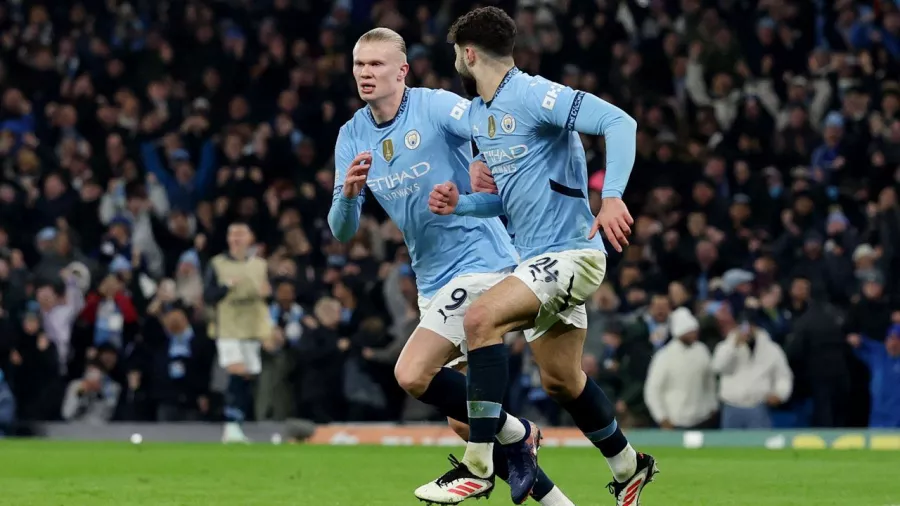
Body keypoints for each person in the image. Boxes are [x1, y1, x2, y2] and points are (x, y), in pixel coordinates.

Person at [420, 8, 655, 506]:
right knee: (562, 380)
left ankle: (479, 467)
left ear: (467, 53)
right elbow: (509, 201)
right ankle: (629, 466)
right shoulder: (483, 116)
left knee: (480, 319)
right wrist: (463, 202)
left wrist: (611, 195)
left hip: (573, 255)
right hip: (537, 261)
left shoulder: (534, 94)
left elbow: (619, 121)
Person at [328, 28, 572, 506]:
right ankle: (557, 499)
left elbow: (493, 122)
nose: (365, 73)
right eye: (359, 65)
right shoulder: (352, 134)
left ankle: (519, 432)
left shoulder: (435, 106)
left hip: (482, 263)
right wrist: (351, 196)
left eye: (376, 65)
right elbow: (341, 230)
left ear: (402, 71)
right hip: (431, 278)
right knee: (467, 421)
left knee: (413, 373)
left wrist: (487, 161)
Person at [203, 222, 273, 443]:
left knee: (247, 377)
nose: (236, 238)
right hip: (229, 327)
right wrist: (226, 286)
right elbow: (208, 295)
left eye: (241, 234)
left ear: (250, 238)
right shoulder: (217, 264)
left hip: (252, 328)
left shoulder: (260, 265)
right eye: (232, 234)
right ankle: (231, 426)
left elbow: (266, 296)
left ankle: (238, 423)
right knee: (236, 371)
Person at [711, 317, 793, 429]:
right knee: (730, 445)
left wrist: (780, 394)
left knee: (760, 444)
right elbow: (718, 367)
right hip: (731, 407)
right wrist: (733, 345)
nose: (747, 330)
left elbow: (783, 376)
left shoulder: (772, 349)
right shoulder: (725, 346)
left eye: (750, 326)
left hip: (759, 407)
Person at [644, 307, 718, 429]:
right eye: (690, 331)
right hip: (675, 421)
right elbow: (652, 390)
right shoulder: (664, 356)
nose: (694, 334)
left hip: (702, 419)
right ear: (680, 332)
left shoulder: (701, 350)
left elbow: (709, 381)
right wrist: (661, 418)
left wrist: (712, 405)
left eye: (695, 331)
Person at [847, 325, 900, 428]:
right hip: (877, 420)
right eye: (890, 338)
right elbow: (861, 345)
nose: (893, 343)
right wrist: (859, 340)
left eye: (897, 340)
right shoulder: (879, 356)